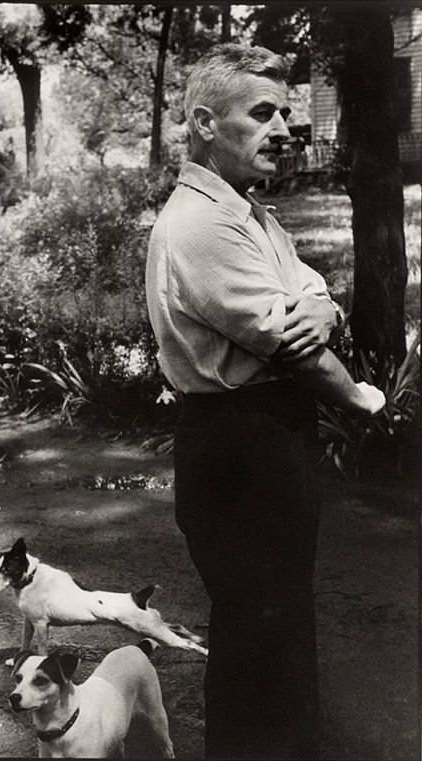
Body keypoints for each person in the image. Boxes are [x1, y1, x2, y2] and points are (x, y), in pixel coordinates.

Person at [145, 43, 385, 761]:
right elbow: (294, 346)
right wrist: (362, 397)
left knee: (278, 635)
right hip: (238, 441)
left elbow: (311, 291)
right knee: (259, 643)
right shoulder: (203, 225)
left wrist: (320, 305)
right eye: (262, 112)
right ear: (205, 123)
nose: (285, 127)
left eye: (286, 112)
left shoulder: (251, 215)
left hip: (268, 437)